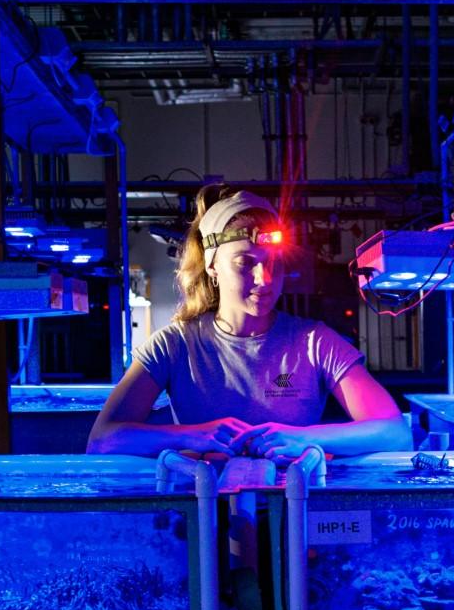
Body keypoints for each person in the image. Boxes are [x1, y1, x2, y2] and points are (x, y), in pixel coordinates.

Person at [88, 185, 412, 460]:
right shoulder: (174, 345)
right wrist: (190, 435)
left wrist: (305, 438)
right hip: (202, 514)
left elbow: (395, 434)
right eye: (245, 263)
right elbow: (102, 441)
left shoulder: (315, 343)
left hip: (290, 514)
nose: (265, 279)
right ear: (212, 266)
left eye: (275, 264)